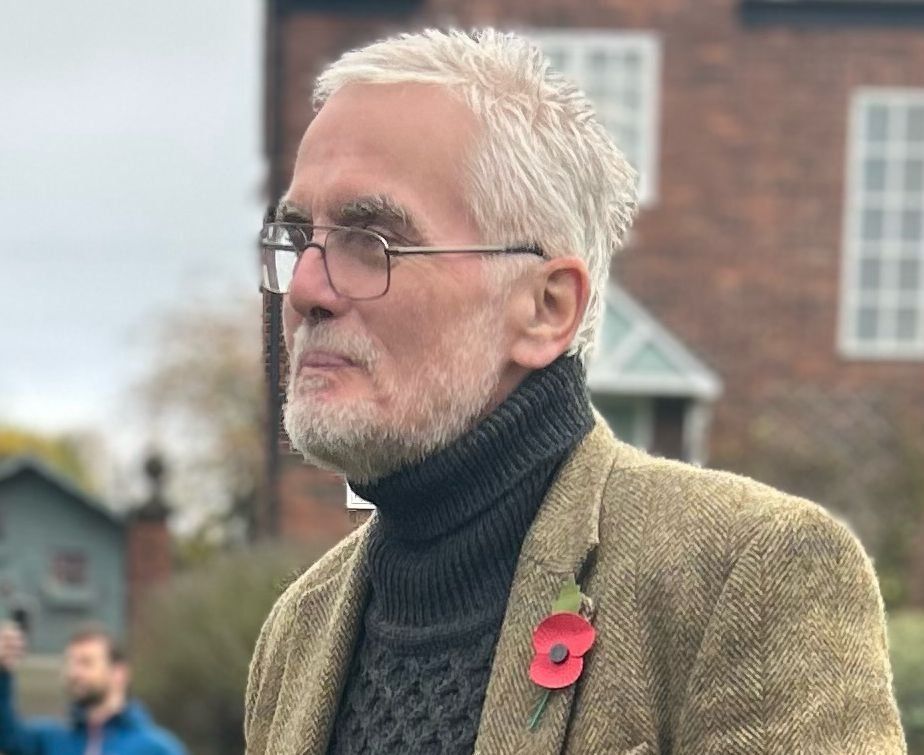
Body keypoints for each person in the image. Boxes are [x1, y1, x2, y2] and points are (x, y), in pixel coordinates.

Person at [245, 28, 906, 755]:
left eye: (373, 240)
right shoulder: (298, 631)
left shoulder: (745, 574)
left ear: (546, 308)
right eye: (297, 237)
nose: (305, 289)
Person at [0, 622, 185, 755]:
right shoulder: (50, 740)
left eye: (86, 663)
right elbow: (6, 737)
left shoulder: (155, 748)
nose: (74, 672)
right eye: (70, 662)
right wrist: (2, 670)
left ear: (118, 673)